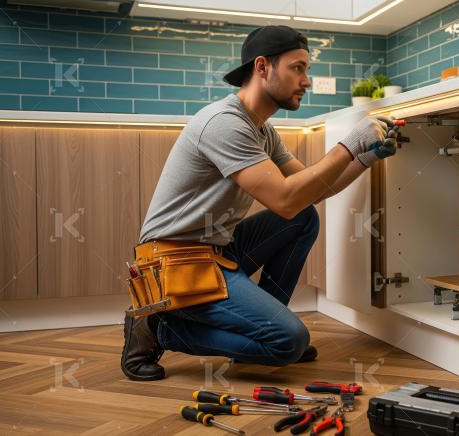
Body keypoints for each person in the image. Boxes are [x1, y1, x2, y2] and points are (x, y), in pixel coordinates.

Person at [121, 25, 398, 381]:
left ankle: (258, 332)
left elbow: (311, 193)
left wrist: (365, 157)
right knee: (289, 342)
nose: (307, 80)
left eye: (306, 70)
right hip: (175, 261)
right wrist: (347, 144)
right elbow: (284, 200)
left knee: (303, 219)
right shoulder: (224, 123)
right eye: (298, 68)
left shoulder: (263, 130)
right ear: (263, 67)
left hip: (216, 248)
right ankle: (158, 328)